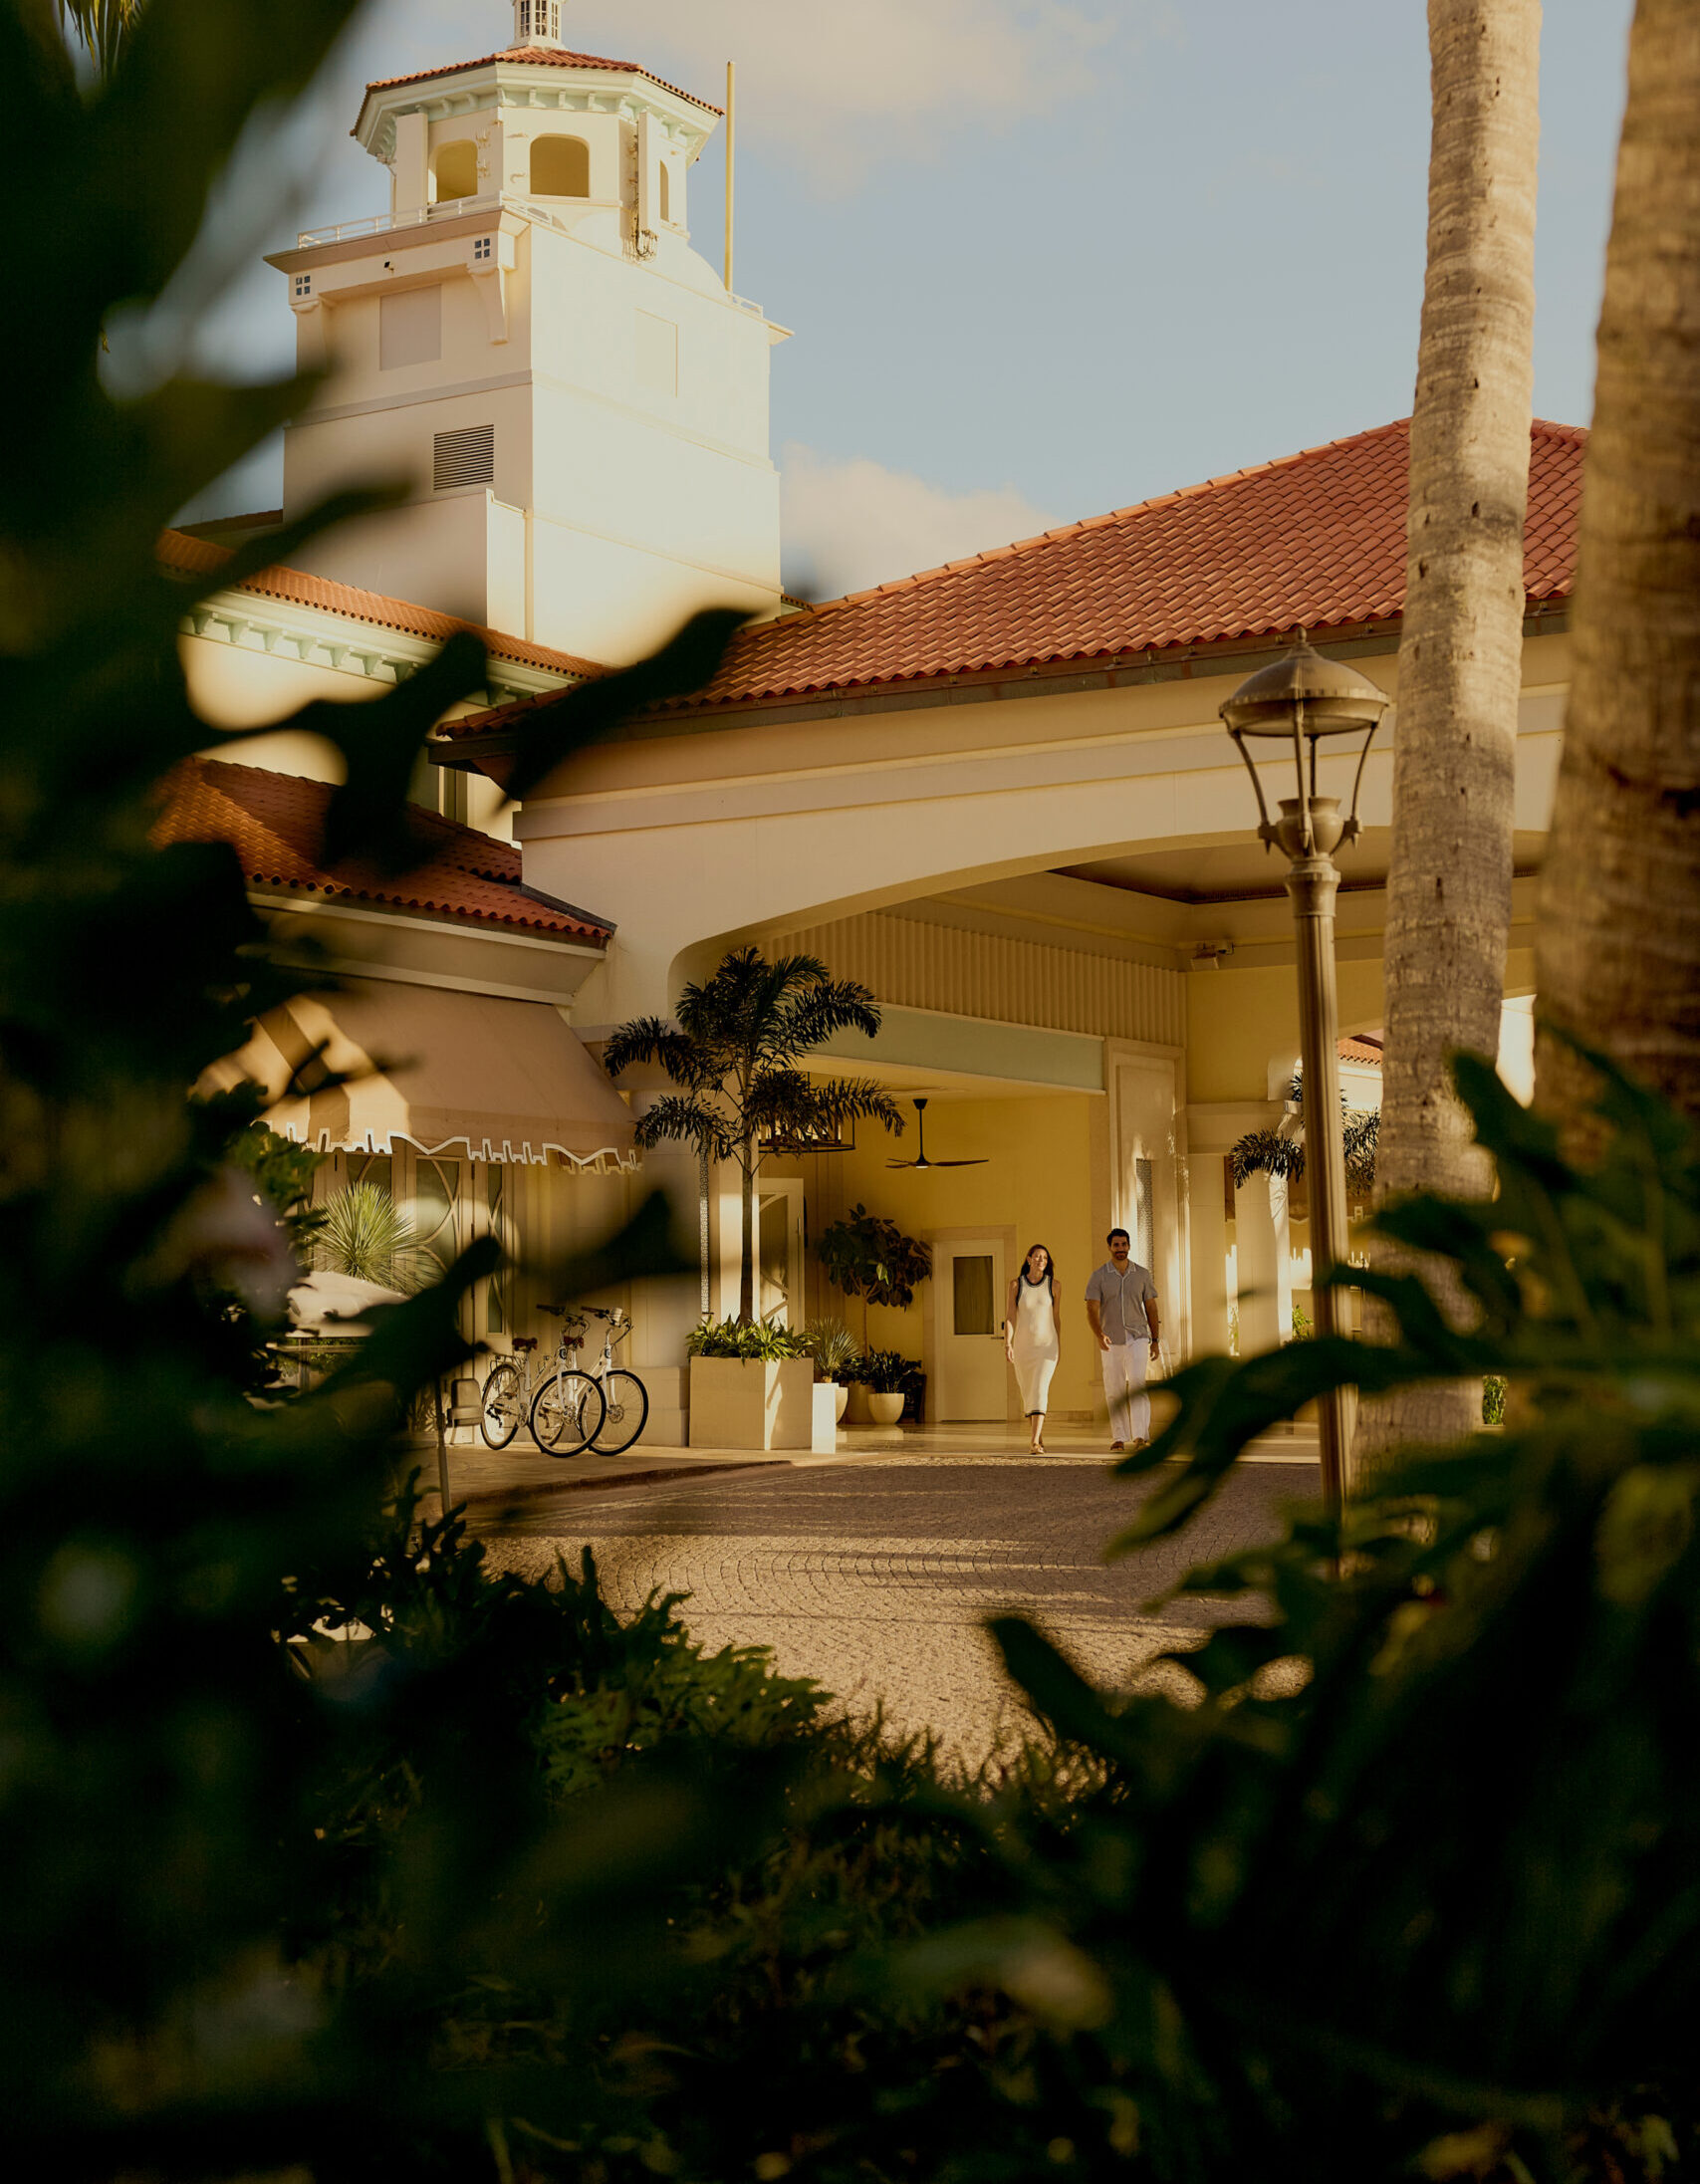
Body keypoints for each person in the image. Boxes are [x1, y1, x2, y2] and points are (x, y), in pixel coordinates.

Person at [1085, 1228, 1161, 1452]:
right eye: (1116, 1245)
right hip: (1110, 1338)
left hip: (1138, 1336)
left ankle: (1140, 1435)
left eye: (1124, 1244)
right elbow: (1091, 1309)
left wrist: (1155, 1340)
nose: (1120, 1249)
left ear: (1129, 1246)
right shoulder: (1098, 1276)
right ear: (1109, 1247)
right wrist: (1099, 1335)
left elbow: (1151, 1307)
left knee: (1137, 1383)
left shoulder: (1142, 1274)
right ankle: (1118, 1436)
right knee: (1114, 1387)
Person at [1005, 1243, 1062, 1454]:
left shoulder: (1054, 1285)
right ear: (1029, 1259)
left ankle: (1034, 1442)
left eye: (1044, 1258)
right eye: (1037, 1257)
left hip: (1047, 1348)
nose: (1041, 1261)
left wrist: (1059, 1345)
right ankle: (1038, 1435)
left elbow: (1056, 1318)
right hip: (1023, 1347)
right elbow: (1010, 1316)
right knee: (1028, 1392)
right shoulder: (1015, 1285)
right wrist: (1007, 1343)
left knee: (1039, 1389)